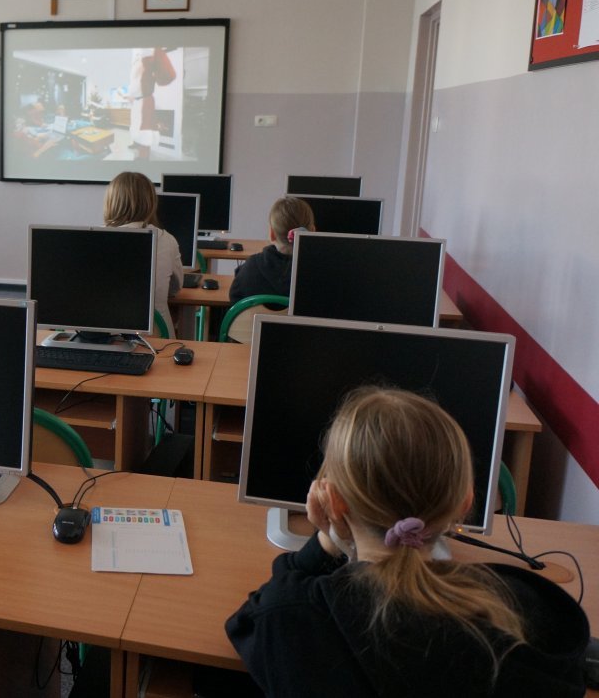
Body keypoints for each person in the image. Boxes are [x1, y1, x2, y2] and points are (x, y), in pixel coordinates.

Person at [225, 387, 590, 697]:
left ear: (333, 501)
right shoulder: (532, 619)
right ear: (464, 503)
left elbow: (247, 622)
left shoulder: (293, 617)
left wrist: (327, 539)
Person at [102, 171, 184, 336]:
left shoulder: (94, 239)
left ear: (111, 202)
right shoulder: (167, 240)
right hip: (157, 336)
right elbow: (175, 288)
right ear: (151, 202)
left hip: (108, 336)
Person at [228, 196, 315, 303]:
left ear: (272, 234)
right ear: (312, 231)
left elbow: (235, 301)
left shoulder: (250, 269)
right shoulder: (323, 273)